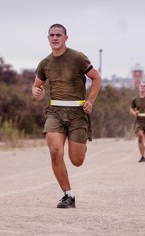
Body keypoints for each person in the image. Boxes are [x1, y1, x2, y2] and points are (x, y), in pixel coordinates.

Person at [32, 24, 101, 208]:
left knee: (76, 161)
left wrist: (90, 101)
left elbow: (96, 77)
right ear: (48, 38)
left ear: (66, 38)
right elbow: (37, 85)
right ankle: (68, 195)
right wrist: (36, 92)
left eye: (58, 35)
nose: (55, 38)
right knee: (55, 151)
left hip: (78, 113)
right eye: (52, 35)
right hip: (55, 112)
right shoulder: (45, 63)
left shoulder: (77, 57)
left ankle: (81, 146)